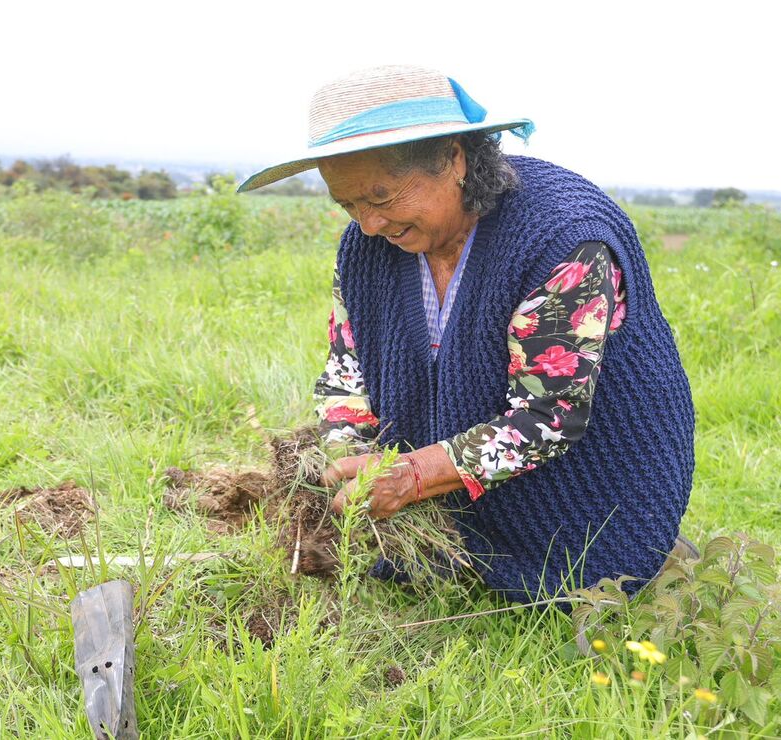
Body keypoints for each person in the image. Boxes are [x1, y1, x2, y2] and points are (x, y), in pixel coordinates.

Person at [237, 65, 696, 603]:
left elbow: (549, 415)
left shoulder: (561, 240)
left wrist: (411, 475)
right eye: (348, 204)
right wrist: (350, 460)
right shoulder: (365, 248)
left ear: (454, 159)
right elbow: (346, 373)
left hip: (585, 494)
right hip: (450, 507)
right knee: (423, 577)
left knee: (578, 587)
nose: (367, 224)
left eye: (381, 198)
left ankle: (652, 556)